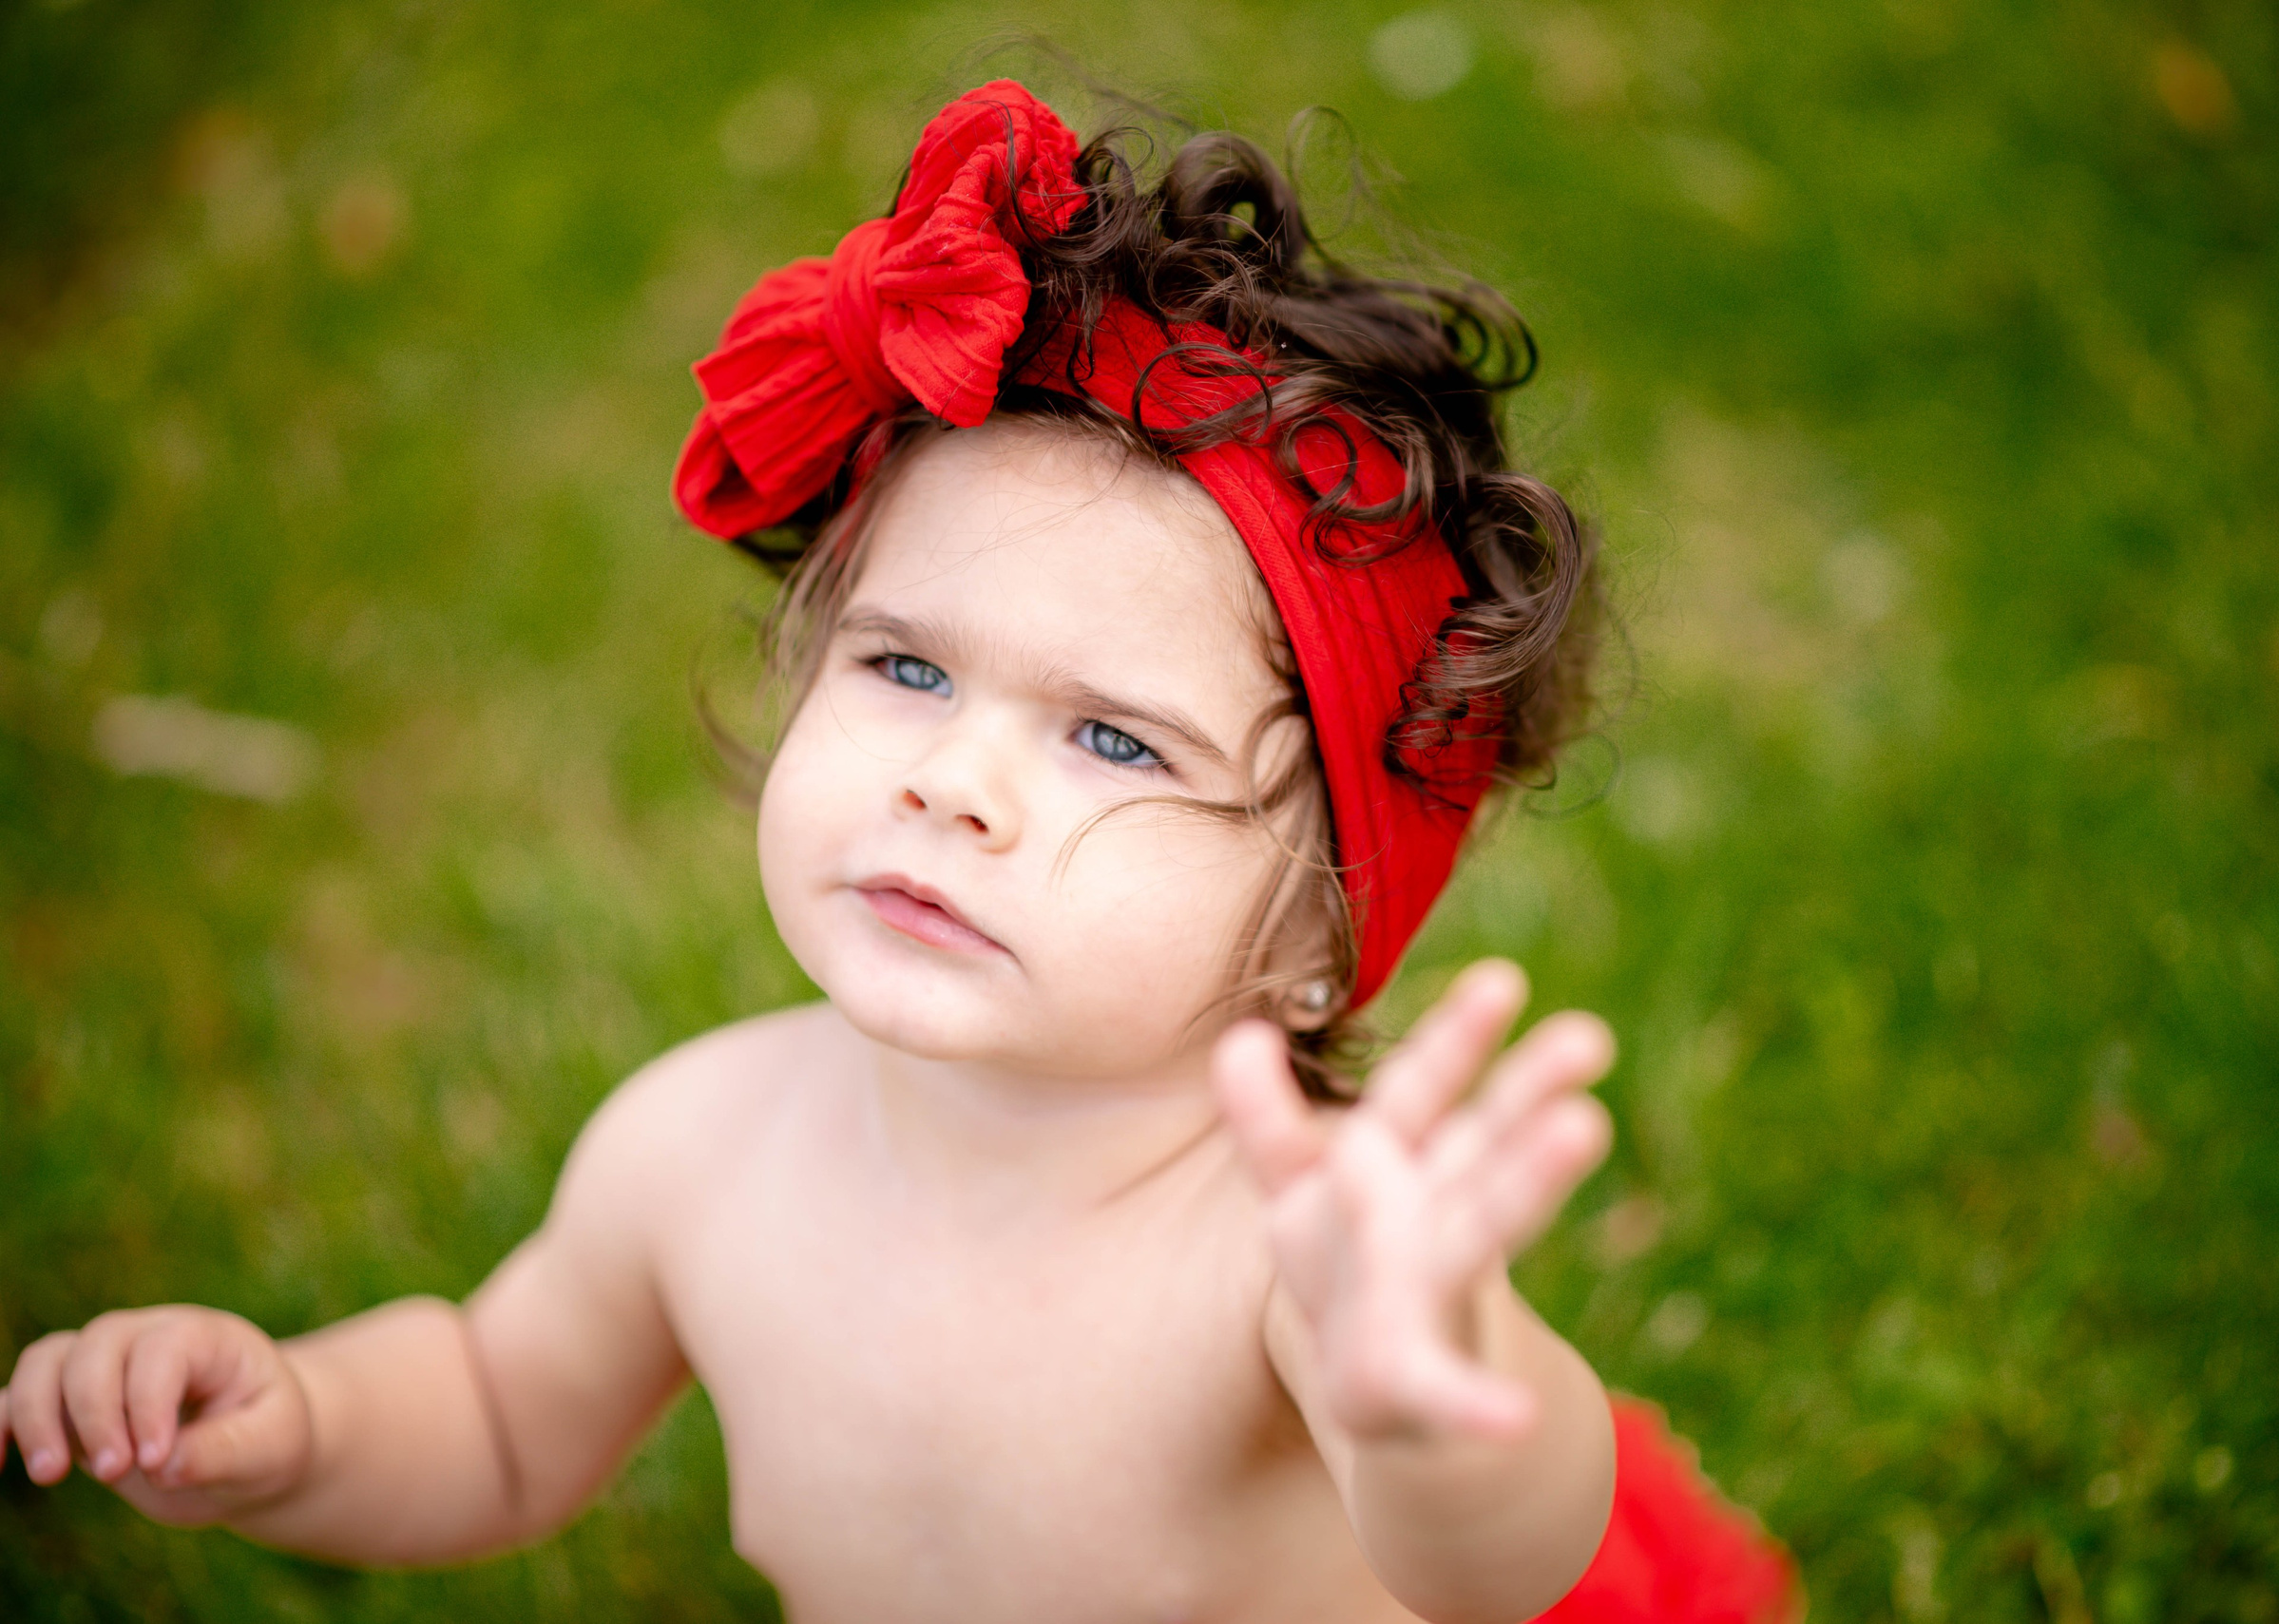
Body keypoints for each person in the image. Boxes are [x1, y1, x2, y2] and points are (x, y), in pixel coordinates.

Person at [2, 81, 1793, 1624]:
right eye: (910, 668)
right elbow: (493, 1409)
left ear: (1322, 931)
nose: (954, 781)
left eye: (1115, 739)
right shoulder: (704, 1143)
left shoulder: (1284, 1255)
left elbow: (1497, 1561)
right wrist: (298, 1425)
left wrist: (1429, 1397)